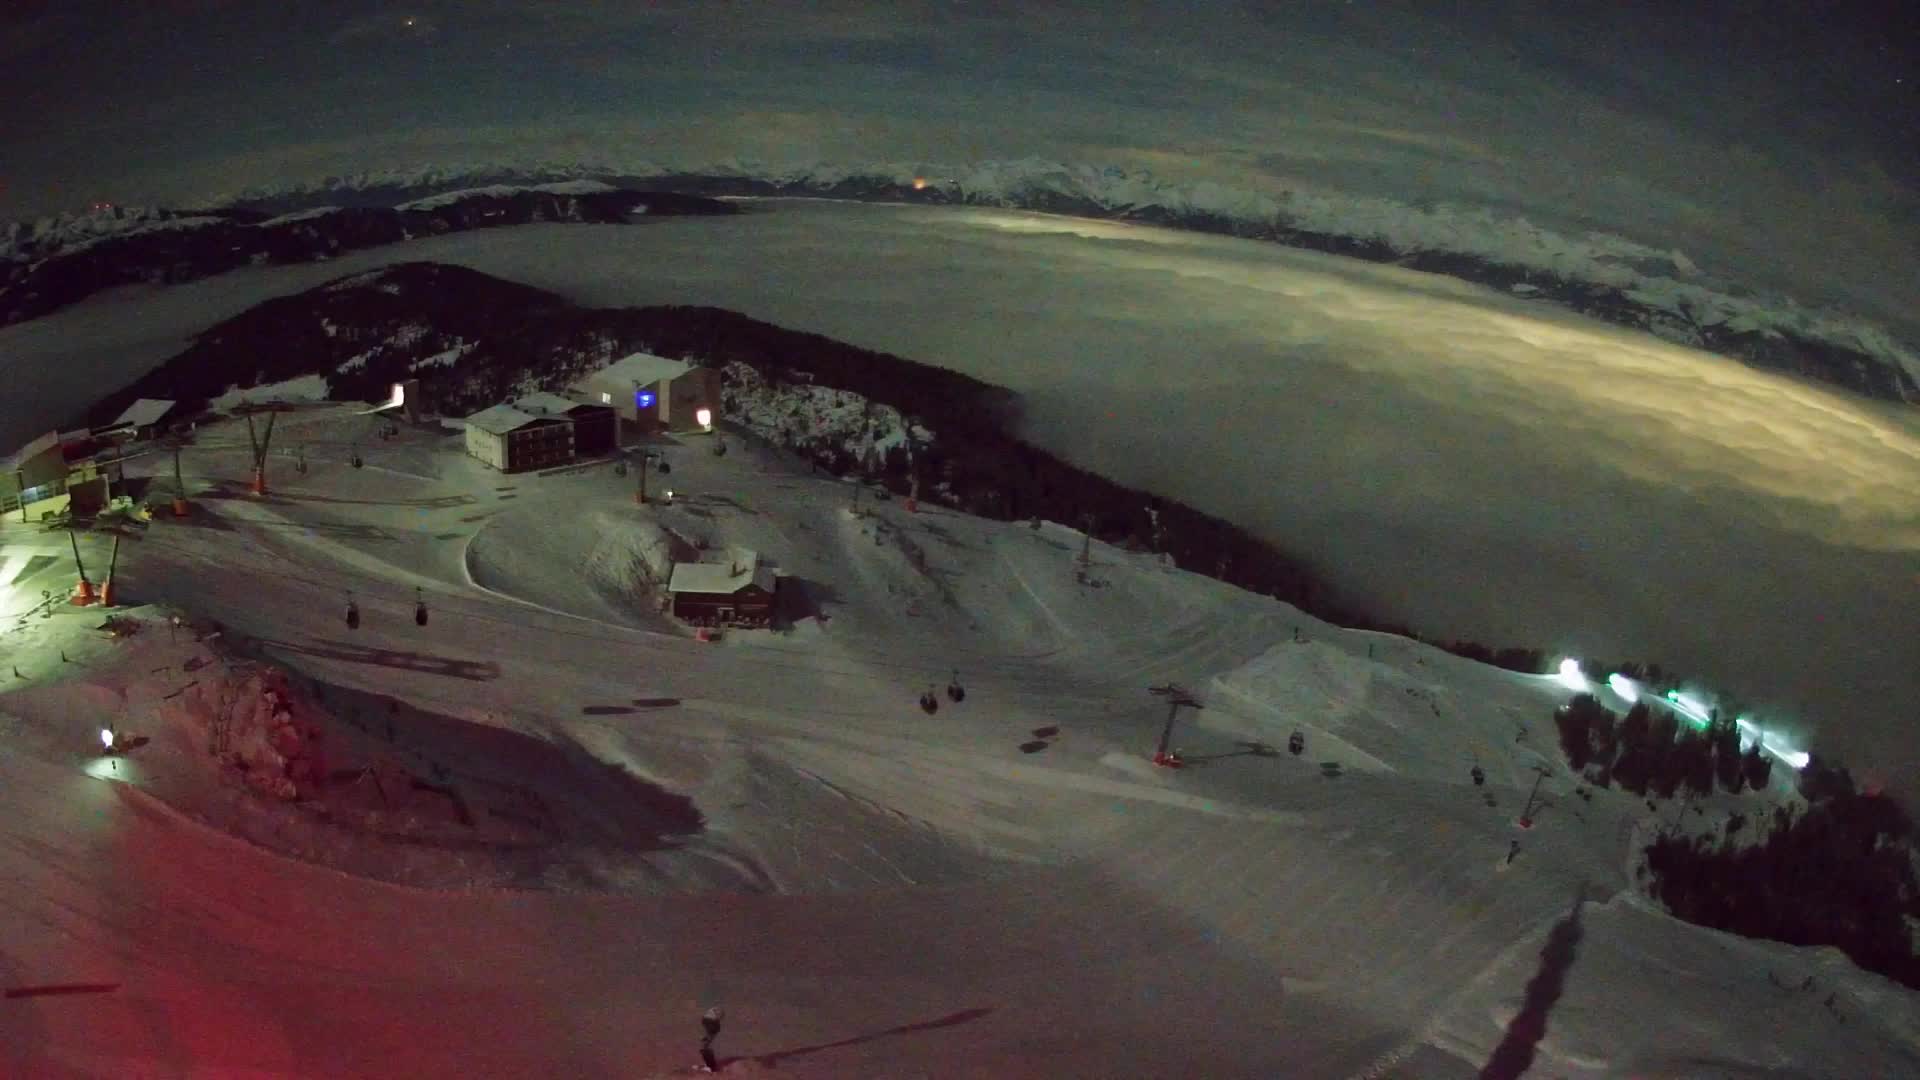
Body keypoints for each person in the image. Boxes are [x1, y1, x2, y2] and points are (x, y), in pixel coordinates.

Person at [699, 1005, 724, 1072]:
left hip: (709, 1021)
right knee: (705, 1045)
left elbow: (719, 1015)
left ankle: (710, 1066)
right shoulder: (714, 1012)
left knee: (705, 1046)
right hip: (710, 1022)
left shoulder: (711, 1014)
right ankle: (709, 1065)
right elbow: (719, 1015)